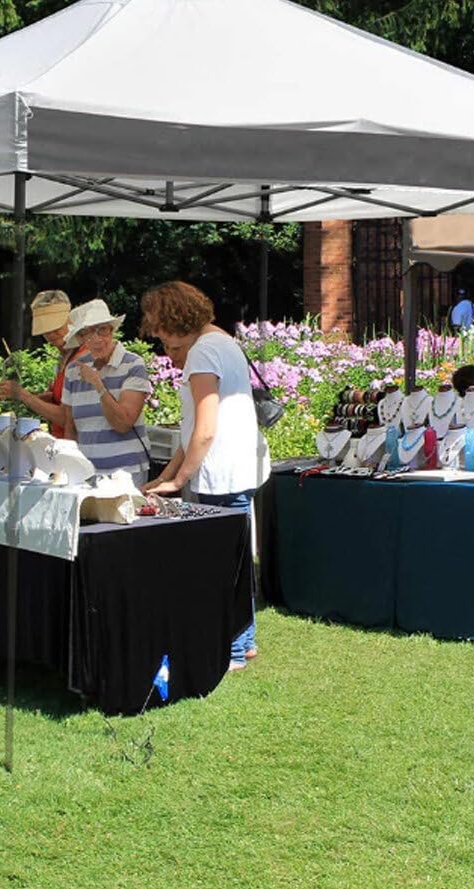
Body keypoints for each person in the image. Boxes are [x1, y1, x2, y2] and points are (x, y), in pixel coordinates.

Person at [139, 280, 266, 672]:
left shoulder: (202, 353)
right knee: (234, 561)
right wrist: (166, 474)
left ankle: (231, 650)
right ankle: (241, 644)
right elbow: (193, 428)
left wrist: (178, 482)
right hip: (233, 471)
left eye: (160, 330)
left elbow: (205, 429)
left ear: (175, 319)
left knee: (222, 566)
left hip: (221, 476)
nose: (160, 340)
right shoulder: (222, 342)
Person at [60, 299, 152, 486]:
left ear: (111, 330)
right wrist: (70, 467)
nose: (96, 339)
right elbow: (70, 426)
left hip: (126, 474)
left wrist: (97, 384)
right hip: (86, 473)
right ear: (81, 339)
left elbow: (123, 423)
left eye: (102, 330)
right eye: (88, 333)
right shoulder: (73, 370)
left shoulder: (133, 364)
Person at [0, 290, 86, 438]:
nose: (50, 333)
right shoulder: (63, 358)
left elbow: (68, 419)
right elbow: (60, 399)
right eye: (45, 329)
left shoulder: (82, 358)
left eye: (56, 327)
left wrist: (24, 396)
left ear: (70, 320)